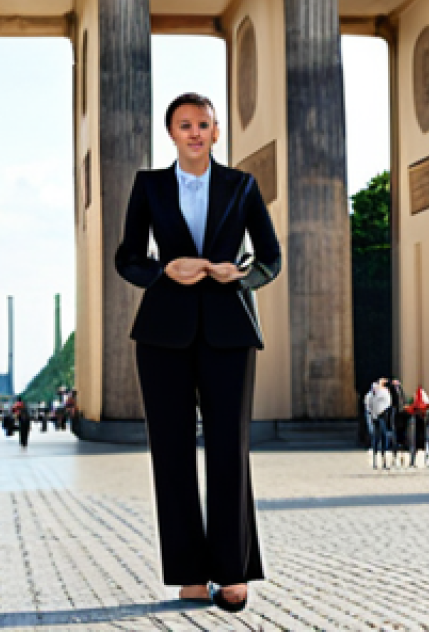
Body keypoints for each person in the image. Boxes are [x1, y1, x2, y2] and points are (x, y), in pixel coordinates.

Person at [115, 93, 281, 614]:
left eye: (203, 124)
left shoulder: (242, 185)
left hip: (231, 329)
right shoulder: (149, 186)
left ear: (215, 133)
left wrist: (242, 274)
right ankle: (188, 573)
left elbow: (269, 258)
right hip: (163, 333)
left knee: (231, 450)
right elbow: (127, 256)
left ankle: (233, 571)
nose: (194, 132)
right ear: (170, 132)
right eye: (184, 124)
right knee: (172, 452)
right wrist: (162, 270)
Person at [364, 379, 393, 469]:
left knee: (383, 436)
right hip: (375, 417)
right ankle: (376, 460)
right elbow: (368, 405)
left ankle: (383, 460)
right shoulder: (371, 394)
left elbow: (388, 403)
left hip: (382, 416)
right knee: (376, 437)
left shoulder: (384, 392)